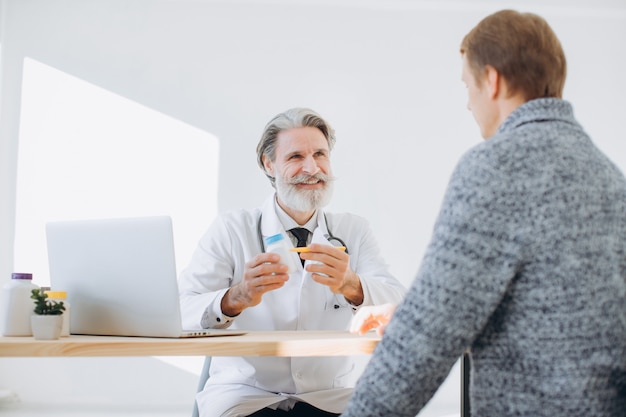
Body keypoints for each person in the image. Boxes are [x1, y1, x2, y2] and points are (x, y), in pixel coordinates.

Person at [342, 9, 626, 417]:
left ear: (492, 80)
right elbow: (548, 301)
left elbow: (428, 336)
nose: (468, 103)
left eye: (468, 86)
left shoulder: (497, 165)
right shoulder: (607, 174)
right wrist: (411, 310)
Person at [179, 107, 407, 417]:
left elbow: (401, 309)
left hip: (330, 397)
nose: (312, 168)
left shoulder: (353, 231)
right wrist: (235, 298)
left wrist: (352, 285)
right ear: (268, 163)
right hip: (246, 396)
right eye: (295, 157)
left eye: (320, 154)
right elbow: (180, 311)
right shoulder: (232, 230)